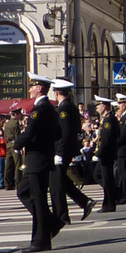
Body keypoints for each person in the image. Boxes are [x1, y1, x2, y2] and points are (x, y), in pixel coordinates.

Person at [14, 73, 62, 252]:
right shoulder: (50, 108)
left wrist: (17, 144)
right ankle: (50, 223)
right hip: (42, 158)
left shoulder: (39, 109)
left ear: (40, 88)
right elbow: (57, 133)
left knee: (38, 198)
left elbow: (30, 132)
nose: (30, 89)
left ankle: (41, 239)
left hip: (36, 159)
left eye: (32, 86)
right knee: (25, 192)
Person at [49, 79, 95, 225]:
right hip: (66, 149)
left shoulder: (64, 108)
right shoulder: (70, 106)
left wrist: (60, 153)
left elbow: (66, 133)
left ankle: (62, 216)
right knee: (61, 180)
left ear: (56, 93)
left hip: (63, 150)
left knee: (56, 184)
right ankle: (84, 201)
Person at [94, 96, 119, 212]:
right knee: (99, 176)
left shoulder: (108, 119)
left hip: (106, 153)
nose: (97, 108)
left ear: (104, 106)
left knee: (106, 178)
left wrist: (99, 153)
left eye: (98, 106)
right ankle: (112, 196)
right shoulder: (107, 118)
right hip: (106, 153)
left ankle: (109, 203)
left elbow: (107, 139)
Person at [3, 106, 23, 190]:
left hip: (8, 144)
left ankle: (7, 184)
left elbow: (5, 135)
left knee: (8, 165)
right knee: (18, 164)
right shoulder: (15, 123)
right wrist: (20, 146)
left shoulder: (7, 123)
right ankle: (18, 184)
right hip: (15, 144)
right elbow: (17, 136)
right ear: (16, 115)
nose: (20, 116)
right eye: (18, 114)